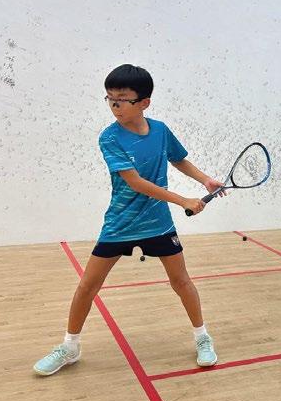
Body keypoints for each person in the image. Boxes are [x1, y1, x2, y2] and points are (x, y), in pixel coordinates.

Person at [33, 64, 225, 375]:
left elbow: (178, 159)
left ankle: (202, 337)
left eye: (122, 100)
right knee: (88, 285)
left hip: (158, 224)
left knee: (181, 282)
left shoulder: (160, 130)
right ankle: (69, 347)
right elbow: (135, 182)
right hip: (120, 223)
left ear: (144, 102)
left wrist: (205, 180)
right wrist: (183, 200)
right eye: (110, 99)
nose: (114, 106)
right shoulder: (110, 137)